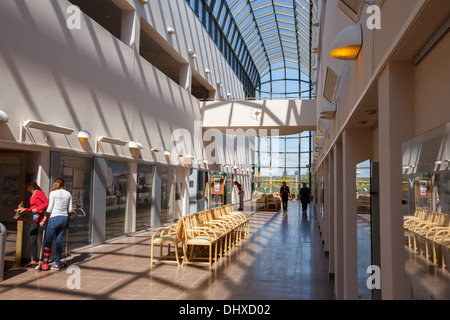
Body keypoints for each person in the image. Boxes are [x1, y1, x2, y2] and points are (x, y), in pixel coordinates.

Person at [40, 178, 72, 271]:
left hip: (54, 218)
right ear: (64, 184)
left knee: (48, 240)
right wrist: (68, 221)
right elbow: (69, 210)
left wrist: (44, 219)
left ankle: (45, 263)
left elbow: (49, 209)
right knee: (59, 240)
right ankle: (57, 263)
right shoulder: (68, 194)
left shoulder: (53, 193)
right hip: (64, 218)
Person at [17, 180, 49, 267]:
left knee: (42, 239)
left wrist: (38, 209)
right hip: (34, 218)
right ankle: (34, 259)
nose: (26, 188)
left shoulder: (39, 193)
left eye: (27, 186)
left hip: (41, 218)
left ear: (31, 186)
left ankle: (43, 259)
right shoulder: (32, 195)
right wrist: (25, 210)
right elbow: (32, 208)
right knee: (32, 238)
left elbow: (47, 203)